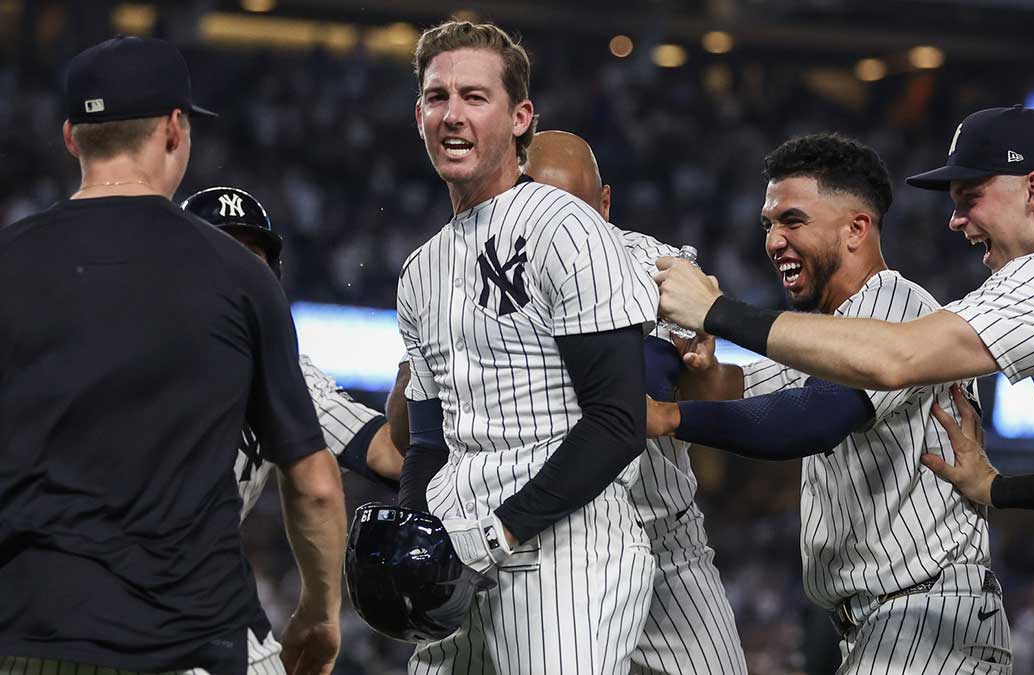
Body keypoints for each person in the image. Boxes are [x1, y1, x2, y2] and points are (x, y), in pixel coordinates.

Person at [655, 105, 1034, 674]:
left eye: (970, 196)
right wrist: (995, 488)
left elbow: (895, 358)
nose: (955, 219)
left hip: (939, 617)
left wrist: (715, 312)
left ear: (1033, 189)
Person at [0, 37, 345, 675]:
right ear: (174, 129)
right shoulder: (241, 277)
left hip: (29, 634)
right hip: (190, 643)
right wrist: (319, 617)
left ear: (72, 137)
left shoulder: (9, 261)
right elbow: (316, 487)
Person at [647, 133, 1009, 672]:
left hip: (929, 620)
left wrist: (669, 416)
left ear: (856, 228)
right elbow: (736, 390)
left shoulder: (896, 306)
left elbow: (812, 418)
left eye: (793, 221)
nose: (773, 241)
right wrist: (704, 366)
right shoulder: (825, 333)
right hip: (877, 624)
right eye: (768, 224)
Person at [395, 21, 658, 674]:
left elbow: (618, 420)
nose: (452, 115)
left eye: (474, 97)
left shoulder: (563, 226)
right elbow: (430, 443)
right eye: (437, 97)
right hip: (462, 564)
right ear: (419, 114)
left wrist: (502, 527)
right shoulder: (420, 270)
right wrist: (411, 533)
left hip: (566, 558)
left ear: (520, 117)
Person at [523, 130, 749, 675]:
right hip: (547, 544)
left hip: (663, 539)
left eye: (571, 209)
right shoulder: (483, 274)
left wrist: (704, 366)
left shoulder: (654, 264)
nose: (557, 229)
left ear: (604, 203)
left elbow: (717, 401)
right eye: (536, 205)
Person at [181, 186, 407, 671]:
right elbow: (316, 491)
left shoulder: (284, 370)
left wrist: (426, 365)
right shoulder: (125, 340)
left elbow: (389, 454)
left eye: (253, 255)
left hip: (201, 601)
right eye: (219, 248)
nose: (240, 267)